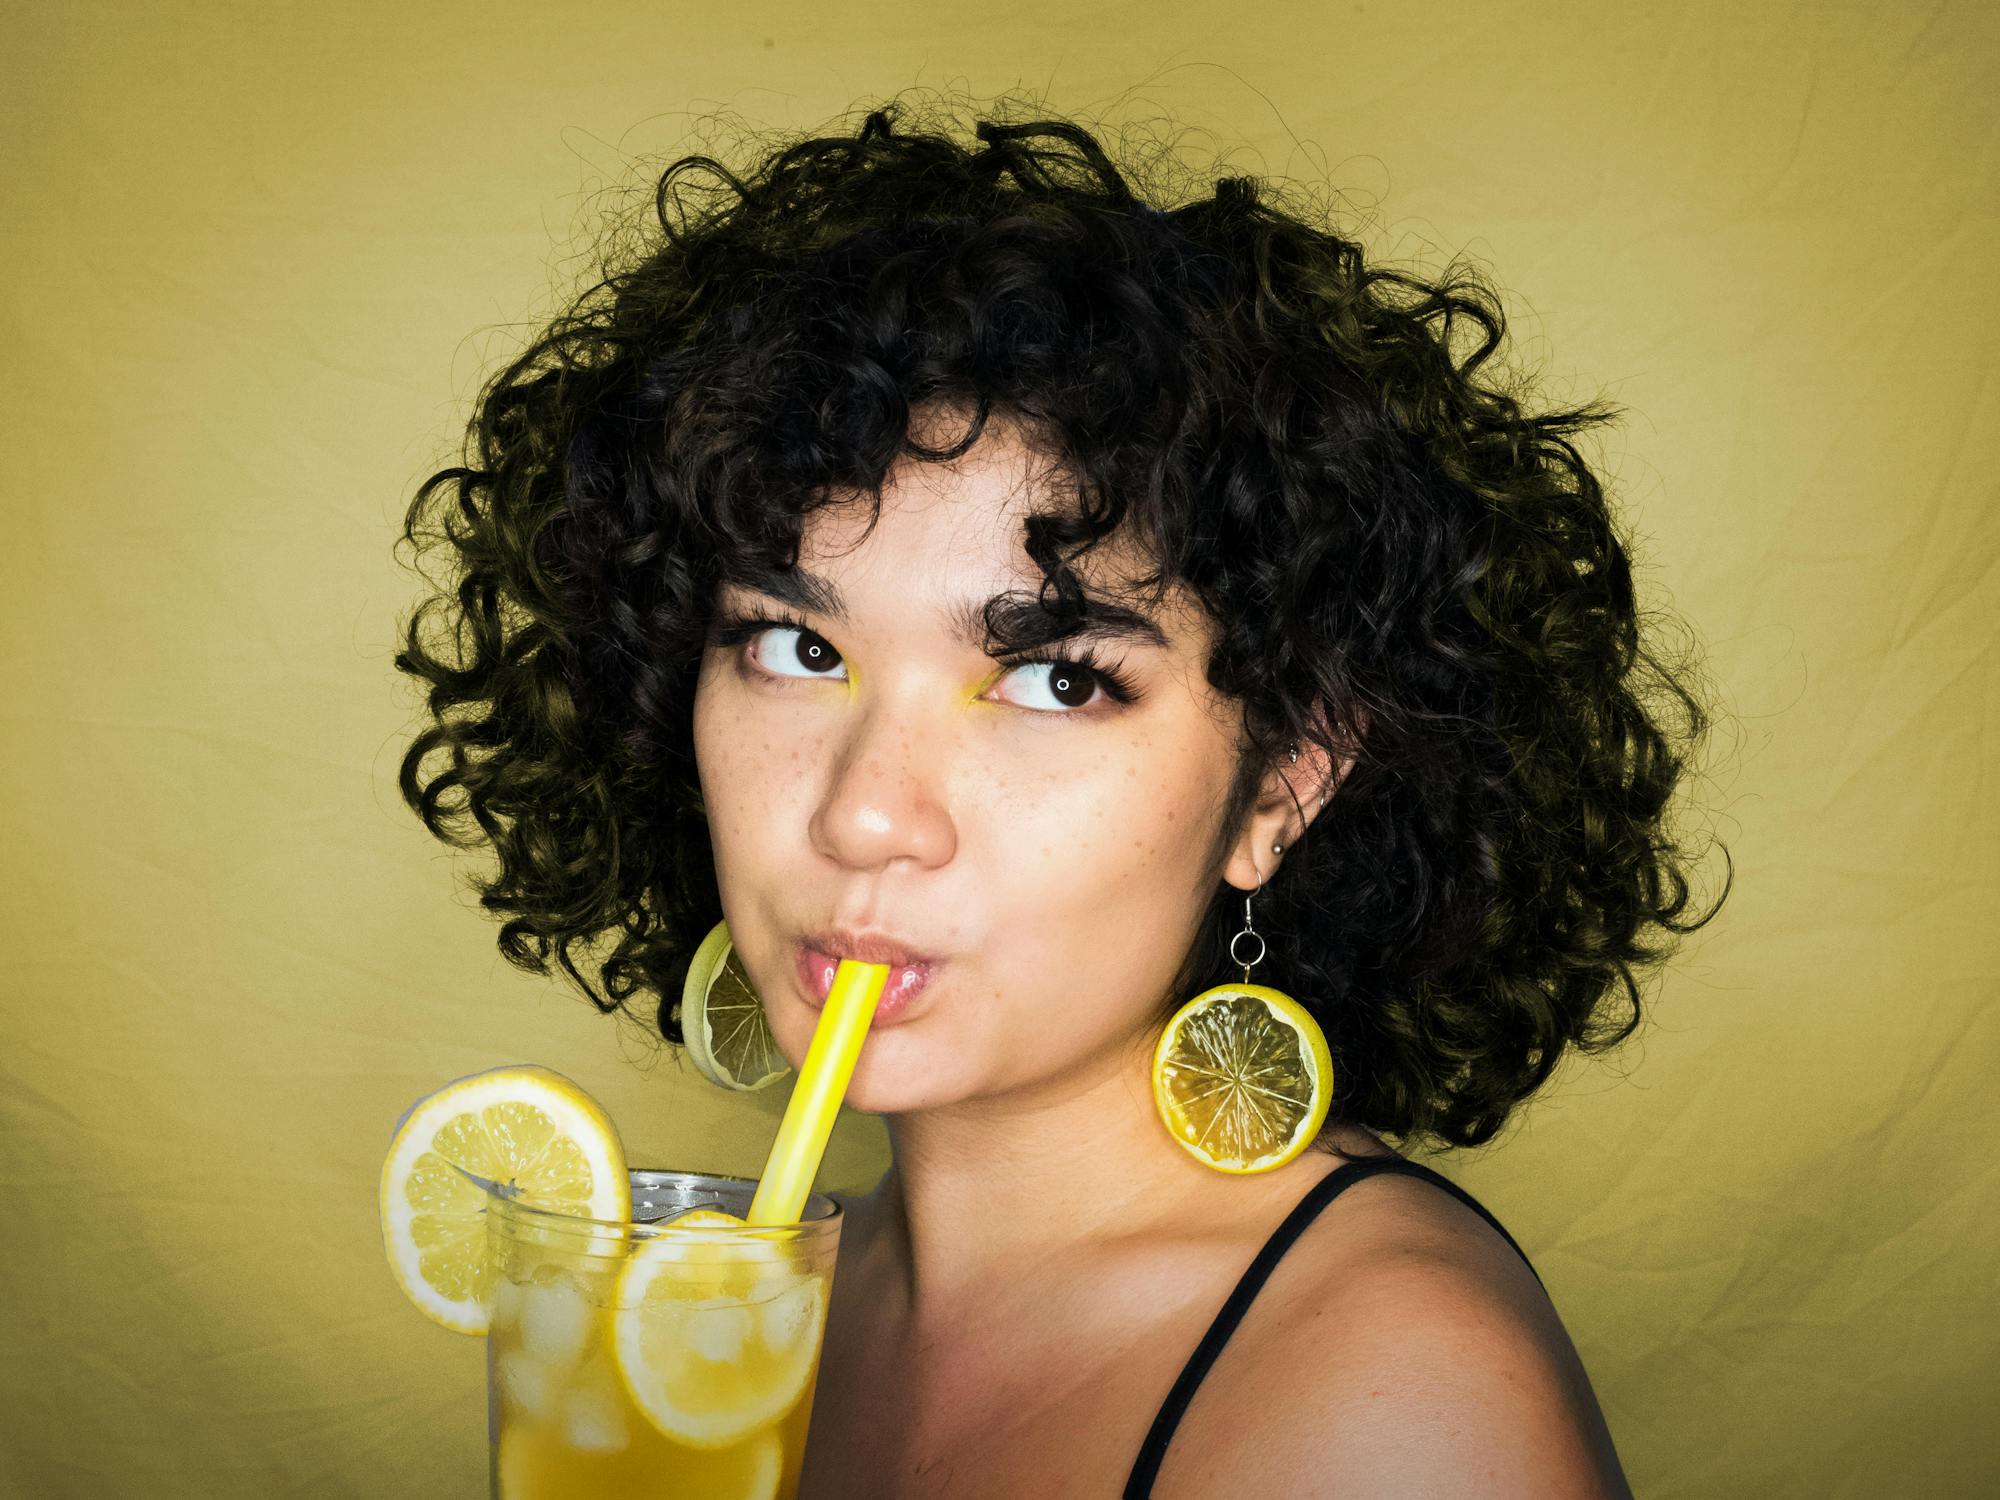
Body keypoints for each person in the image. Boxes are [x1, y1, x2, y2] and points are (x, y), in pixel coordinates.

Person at [394, 95, 1726, 1498]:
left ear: (1285, 782)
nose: (865, 816)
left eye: (1056, 682)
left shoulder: (1396, 1403)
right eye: (796, 648)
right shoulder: (733, 1319)